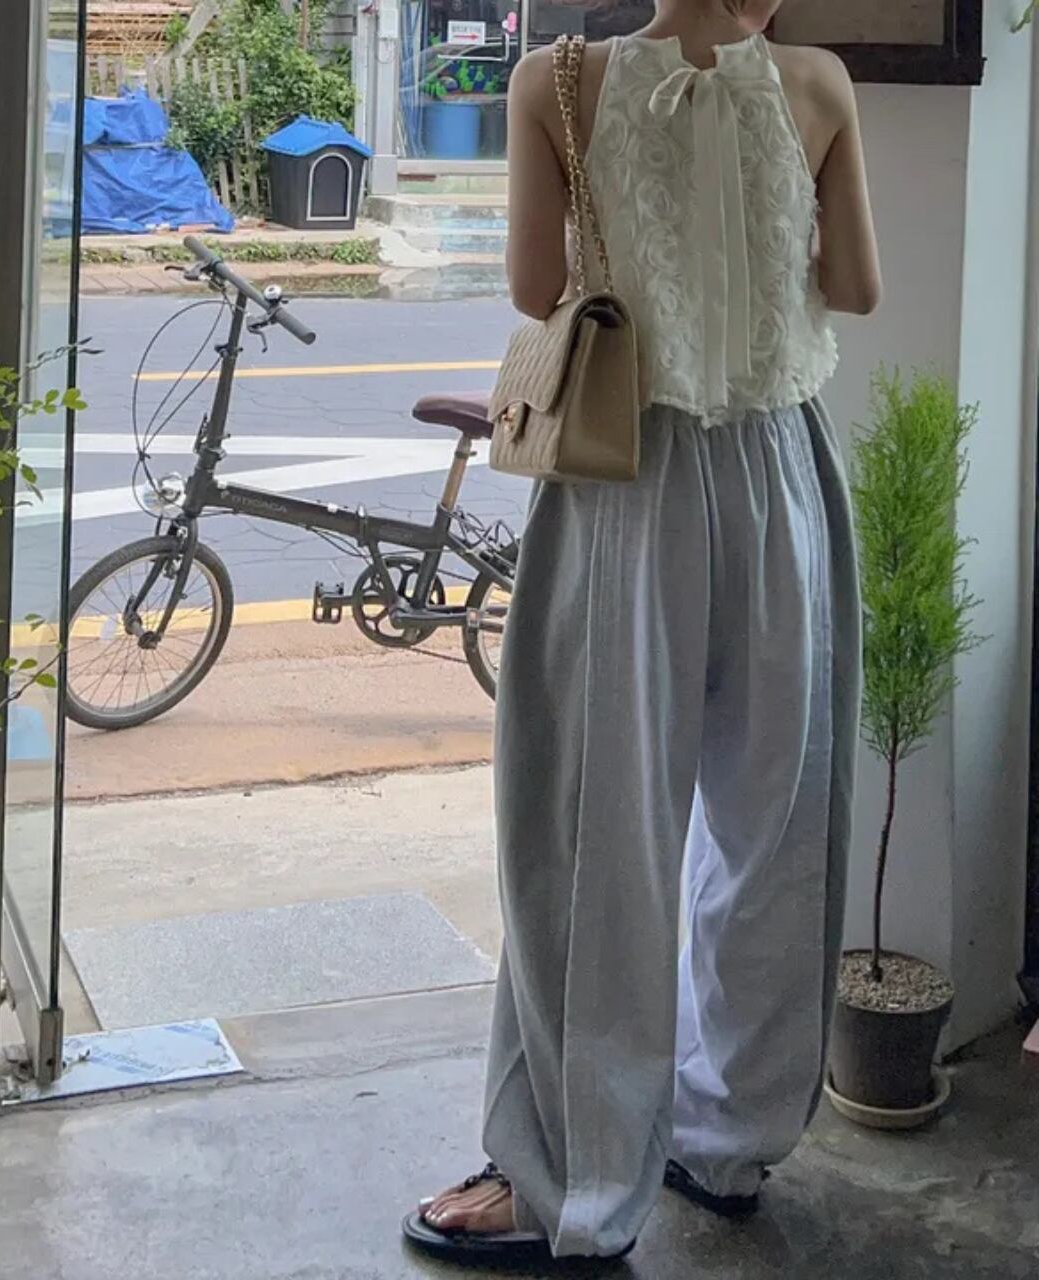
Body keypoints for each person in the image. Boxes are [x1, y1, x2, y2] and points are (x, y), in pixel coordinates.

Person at [403, 0, 882, 1264]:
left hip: (627, 481)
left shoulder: (552, 80)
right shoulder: (817, 81)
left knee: (591, 831)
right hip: (782, 477)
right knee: (775, 823)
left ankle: (571, 1180)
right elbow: (852, 288)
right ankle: (727, 1142)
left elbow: (535, 290)